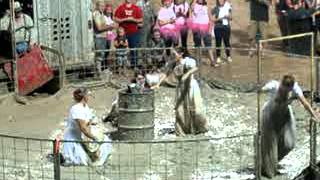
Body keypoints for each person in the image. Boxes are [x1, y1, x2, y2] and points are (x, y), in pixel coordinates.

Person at [260, 75, 320, 178]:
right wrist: (259, 89)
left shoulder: (295, 89)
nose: (284, 93)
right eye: (283, 90)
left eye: (287, 91)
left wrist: (315, 116)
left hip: (285, 114)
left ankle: (274, 160)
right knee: (270, 146)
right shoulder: (273, 85)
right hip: (270, 114)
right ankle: (266, 167)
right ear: (281, 85)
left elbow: (305, 103)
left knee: (289, 144)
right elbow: (260, 90)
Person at [152, 47, 208, 136]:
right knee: (180, 110)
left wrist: (186, 74)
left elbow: (194, 68)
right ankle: (183, 130)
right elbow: (165, 74)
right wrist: (158, 84)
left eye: (174, 54)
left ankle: (200, 128)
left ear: (181, 54)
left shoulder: (187, 61)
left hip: (190, 87)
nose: (173, 56)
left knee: (196, 109)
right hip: (180, 87)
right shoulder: (173, 64)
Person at [63, 88, 112, 166]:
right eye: (88, 95)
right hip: (74, 136)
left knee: (104, 140)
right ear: (84, 96)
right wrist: (93, 138)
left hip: (83, 134)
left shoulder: (85, 107)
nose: (89, 97)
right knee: (81, 160)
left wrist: (91, 137)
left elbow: (88, 124)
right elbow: (83, 128)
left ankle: (96, 156)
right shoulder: (76, 109)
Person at [114, 0, 143, 68]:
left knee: (134, 49)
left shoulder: (136, 8)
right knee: (121, 48)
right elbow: (116, 19)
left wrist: (133, 19)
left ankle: (134, 65)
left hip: (134, 32)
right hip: (122, 33)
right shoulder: (121, 8)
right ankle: (121, 66)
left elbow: (141, 19)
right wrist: (125, 19)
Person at [190, 0, 214, 66]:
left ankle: (212, 61)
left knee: (208, 46)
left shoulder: (207, 6)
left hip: (206, 28)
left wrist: (210, 30)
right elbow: (191, 8)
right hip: (196, 29)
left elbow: (211, 19)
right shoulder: (194, 5)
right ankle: (198, 61)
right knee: (198, 46)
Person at [93, 1, 113, 74]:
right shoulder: (96, 14)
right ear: (97, 6)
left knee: (103, 54)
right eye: (101, 6)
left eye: (103, 6)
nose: (102, 7)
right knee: (99, 55)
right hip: (99, 37)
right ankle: (98, 72)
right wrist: (110, 26)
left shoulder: (101, 14)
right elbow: (99, 27)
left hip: (104, 36)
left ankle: (101, 70)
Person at [212, 0, 232, 66]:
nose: (220, 1)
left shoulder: (228, 7)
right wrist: (219, 19)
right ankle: (218, 57)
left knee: (227, 42)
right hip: (218, 27)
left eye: (222, 0)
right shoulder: (215, 8)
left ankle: (228, 56)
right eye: (219, 0)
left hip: (226, 27)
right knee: (218, 42)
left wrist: (228, 17)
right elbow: (213, 19)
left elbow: (231, 18)